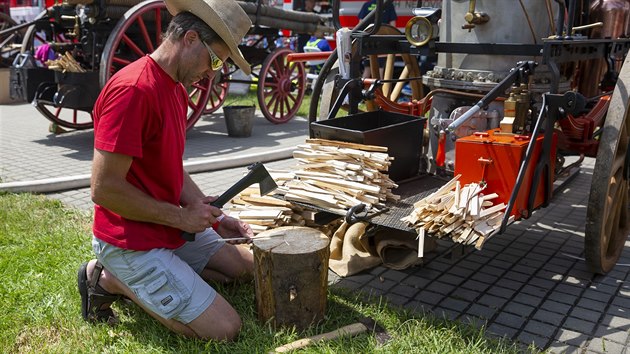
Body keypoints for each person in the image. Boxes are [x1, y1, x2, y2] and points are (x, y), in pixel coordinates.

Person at [77, 0, 255, 342]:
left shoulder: (174, 87)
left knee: (245, 271)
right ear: (190, 39)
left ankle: (166, 276)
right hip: (130, 240)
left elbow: (170, 167)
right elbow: (104, 189)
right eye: (215, 59)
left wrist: (213, 217)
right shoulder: (133, 91)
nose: (214, 72)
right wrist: (181, 219)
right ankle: (108, 279)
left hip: (166, 225)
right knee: (224, 330)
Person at [357, 0, 397, 78]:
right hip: (381, 42)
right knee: (380, 70)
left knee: (367, 69)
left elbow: (360, 24)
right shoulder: (389, 5)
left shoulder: (367, 5)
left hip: (368, 41)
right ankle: (379, 89)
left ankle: (362, 89)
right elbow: (393, 26)